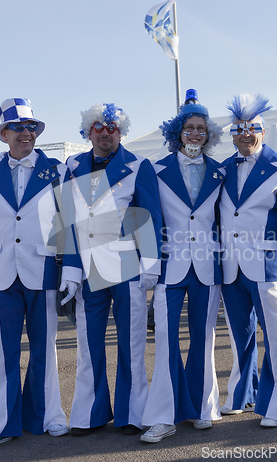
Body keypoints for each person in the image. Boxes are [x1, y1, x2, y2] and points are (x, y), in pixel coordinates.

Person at [0, 98, 79, 452]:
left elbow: (70, 223)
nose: (25, 134)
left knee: (46, 350)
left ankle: (48, 416)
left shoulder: (57, 171)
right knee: (1, 353)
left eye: (31, 127)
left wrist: (71, 270)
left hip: (43, 272)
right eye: (17, 128)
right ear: (3, 134)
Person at [66, 103, 163, 437]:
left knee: (131, 342)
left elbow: (150, 215)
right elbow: (66, 219)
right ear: (87, 130)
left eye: (112, 127)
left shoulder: (138, 165)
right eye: (98, 127)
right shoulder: (73, 164)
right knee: (87, 342)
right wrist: (69, 267)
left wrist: (151, 263)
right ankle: (89, 413)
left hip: (126, 264)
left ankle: (131, 412)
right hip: (88, 264)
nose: (105, 132)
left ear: (121, 132)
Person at [218, 93, 277, 428]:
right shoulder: (222, 169)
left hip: (269, 265)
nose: (245, 135)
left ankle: (275, 404)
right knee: (239, 336)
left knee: (276, 337)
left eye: (252, 128)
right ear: (231, 134)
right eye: (238, 129)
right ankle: (243, 395)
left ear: (262, 130)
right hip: (231, 267)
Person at [140, 90, 225, 443]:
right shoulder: (154, 169)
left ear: (208, 134)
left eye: (201, 129)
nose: (194, 134)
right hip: (169, 268)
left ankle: (202, 408)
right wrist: (147, 264)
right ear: (177, 132)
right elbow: (144, 219)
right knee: (165, 340)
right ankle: (163, 415)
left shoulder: (221, 171)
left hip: (208, 268)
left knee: (204, 341)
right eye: (188, 128)